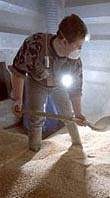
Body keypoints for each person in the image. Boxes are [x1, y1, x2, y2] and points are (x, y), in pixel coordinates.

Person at [9, 14, 88, 152]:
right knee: (35, 116)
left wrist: (79, 113)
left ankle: (77, 145)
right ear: (64, 42)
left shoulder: (75, 61)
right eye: (78, 46)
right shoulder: (34, 45)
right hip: (36, 83)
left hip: (59, 85)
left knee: (68, 115)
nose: (80, 49)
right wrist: (18, 99)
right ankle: (34, 148)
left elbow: (76, 88)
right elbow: (18, 72)